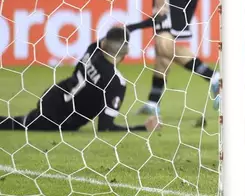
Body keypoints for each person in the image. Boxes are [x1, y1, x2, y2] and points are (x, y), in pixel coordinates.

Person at [0, 27, 159, 132]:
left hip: (53, 96)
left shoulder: (92, 49)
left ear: (104, 43)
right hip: (61, 119)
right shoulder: (115, 83)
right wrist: (142, 128)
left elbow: (107, 41)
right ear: (125, 52)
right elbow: (105, 127)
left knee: (19, 122)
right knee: (17, 124)